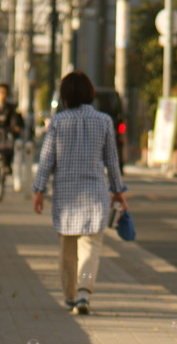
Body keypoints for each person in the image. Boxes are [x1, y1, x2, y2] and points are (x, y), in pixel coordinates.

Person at [33, 71, 127, 315]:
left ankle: (69, 296)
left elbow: (46, 160)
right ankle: (84, 293)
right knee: (91, 246)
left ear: (64, 96)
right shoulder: (104, 121)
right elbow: (112, 161)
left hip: (66, 194)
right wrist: (118, 191)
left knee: (67, 249)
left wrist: (38, 190)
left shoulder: (57, 122)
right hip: (95, 192)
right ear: (90, 94)